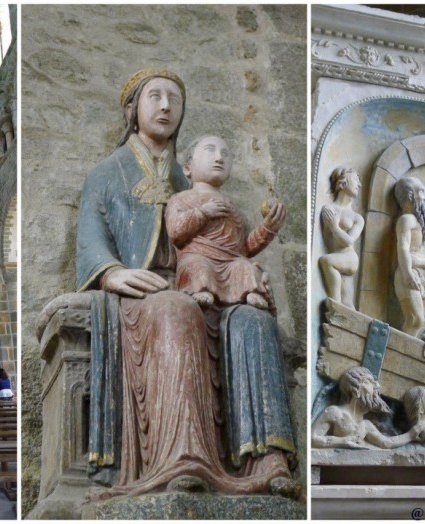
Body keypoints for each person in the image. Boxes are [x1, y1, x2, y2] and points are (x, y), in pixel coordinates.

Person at [75, 68, 297, 499]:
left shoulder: (190, 179)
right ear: (132, 110)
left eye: (174, 100)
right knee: (179, 310)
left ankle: (268, 459)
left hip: (203, 281)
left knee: (254, 320)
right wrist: (112, 272)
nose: (164, 106)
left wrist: (245, 265)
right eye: (154, 97)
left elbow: (230, 245)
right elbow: (90, 238)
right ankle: (182, 457)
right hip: (147, 291)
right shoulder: (107, 173)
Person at [164, 135, 284, 310]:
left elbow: (244, 247)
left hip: (231, 262)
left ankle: (250, 291)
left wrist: (268, 228)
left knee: (245, 266)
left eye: (225, 154)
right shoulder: (180, 199)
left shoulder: (233, 209)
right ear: (187, 168)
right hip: (198, 256)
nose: (219, 158)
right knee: (197, 265)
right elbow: (175, 231)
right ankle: (200, 288)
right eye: (210, 150)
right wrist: (203, 212)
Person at [312, 366, 418, 449]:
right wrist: (343, 441)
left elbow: (387, 443)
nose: (377, 385)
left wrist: (412, 434)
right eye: (368, 382)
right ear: (354, 391)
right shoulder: (334, 412)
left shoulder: (365, 425)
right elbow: (312, 438)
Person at [393, 176, 425, 336]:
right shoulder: (406, 220)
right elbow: (402, 248)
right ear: (411, 195)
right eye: (422, 192)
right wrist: (407, 272)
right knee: (415, 319)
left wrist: (420, 261)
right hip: (408, 273)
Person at [319, 166, 365, 309]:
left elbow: (349, 241)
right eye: (356, 180)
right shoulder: (329, 209)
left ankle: (335, 305)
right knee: (348, 304)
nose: (360, 184)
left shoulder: (357, 218)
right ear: (343, 182)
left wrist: (335, 227)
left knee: (326, 261)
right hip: (338, 258)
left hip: (349, 258)